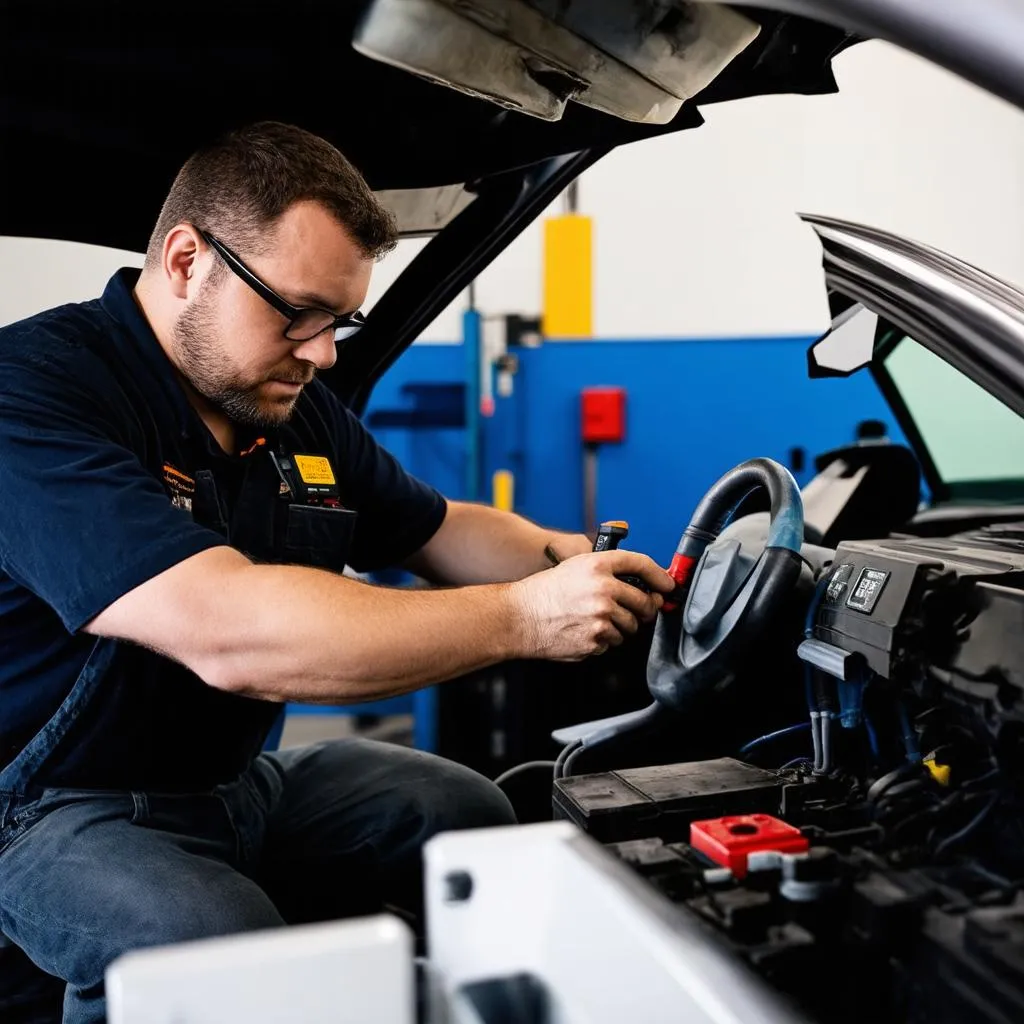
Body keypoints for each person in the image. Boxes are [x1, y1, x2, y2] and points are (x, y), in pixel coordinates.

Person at [0, 121, 673, 1023]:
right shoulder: (37, 392)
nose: (323, 352)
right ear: (187, 259)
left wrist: (581, 563)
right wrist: (523, 618)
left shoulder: (282, 403)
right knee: (211, 949)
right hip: (42, 810)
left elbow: (437, 528)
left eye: (341, 321)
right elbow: (226, 626)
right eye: (298, 313)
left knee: (457, 812)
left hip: (231, 785)